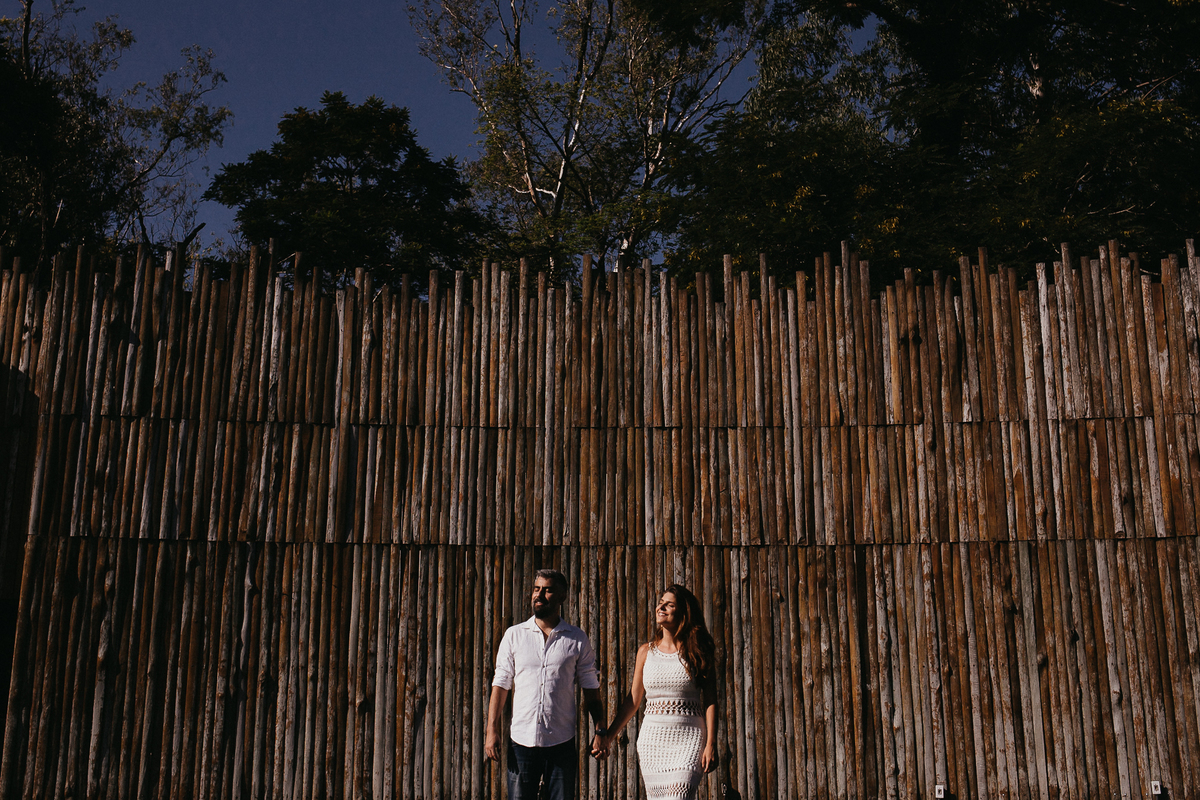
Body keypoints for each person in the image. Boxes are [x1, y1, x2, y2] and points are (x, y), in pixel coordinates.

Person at [485, 569, 607, 800]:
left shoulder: (576, 638)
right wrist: (492, 729)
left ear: (561, 597)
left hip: (560, 742)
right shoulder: (514, 635)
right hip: (520, 741)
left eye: (548, 589)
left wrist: (600, 729)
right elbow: (501, 684)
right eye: (536, 588)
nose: (539, 594)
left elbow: (591, 686)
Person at [595, 584, 718, 800]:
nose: (661, 607)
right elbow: (633, 701)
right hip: (653, 743)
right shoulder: (646, 651)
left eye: (669, 605)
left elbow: (710, 700)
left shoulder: (699, 651)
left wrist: (711, 744)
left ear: (683, 613)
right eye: (660, 603)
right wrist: (609, 737)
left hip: (689, 741)